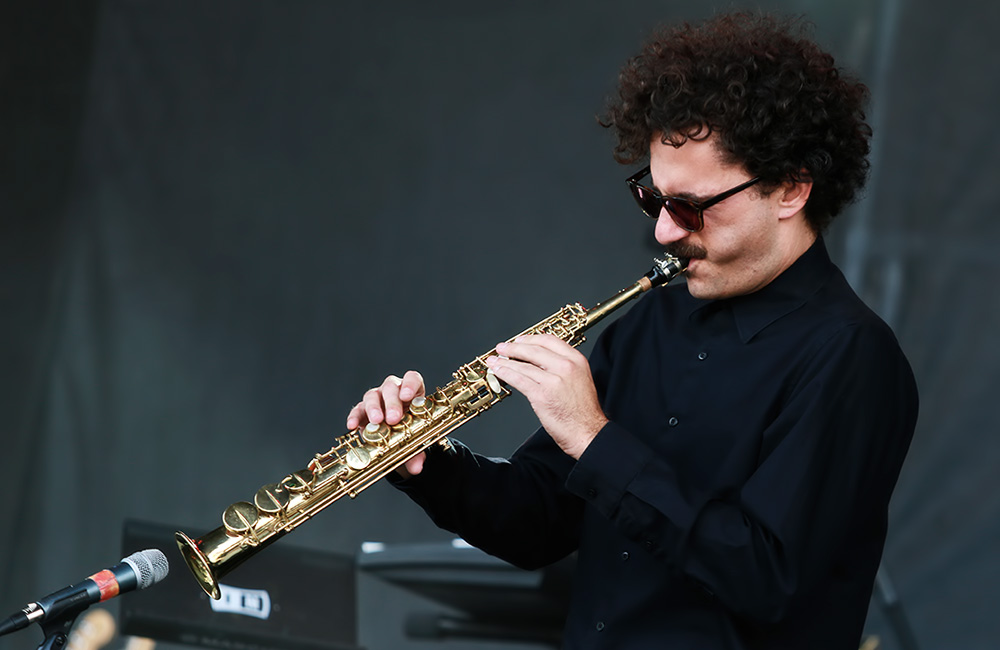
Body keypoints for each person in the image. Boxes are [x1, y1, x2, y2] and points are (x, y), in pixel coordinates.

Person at [345, 12, 918, 649]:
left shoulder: (850, 356)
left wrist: (595, 438)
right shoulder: (652, 322)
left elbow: (768, 578)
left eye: (691, 206)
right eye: (655, 199)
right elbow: (536, 524)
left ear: (789, 190)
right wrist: (426, 463)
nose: (665, 231)